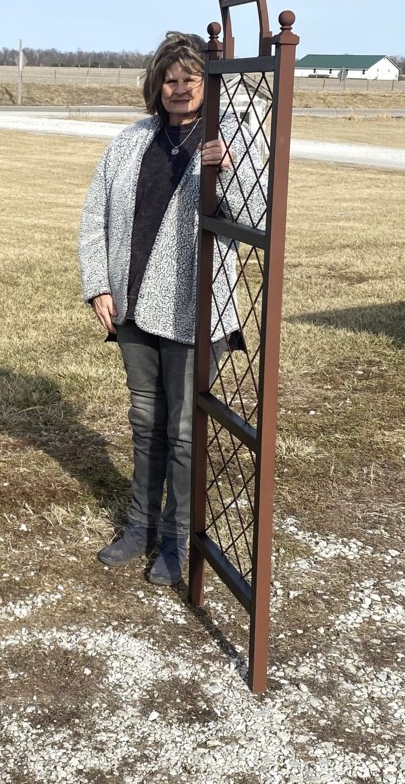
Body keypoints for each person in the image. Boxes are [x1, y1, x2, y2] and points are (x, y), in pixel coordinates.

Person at [78, 30, 261, 585]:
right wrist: (99, 285)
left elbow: (255, 216)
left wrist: (230, 166)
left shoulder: (227, 139)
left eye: (191, 78)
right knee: (145, 423)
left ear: (210, 83)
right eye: (169, 79)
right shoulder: (130, 142)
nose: (179, 88)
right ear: (155, 85)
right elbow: (94, 218)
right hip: (132, 309)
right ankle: (140, 525)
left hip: (193, 313)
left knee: (183, 433)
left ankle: (178, 538)